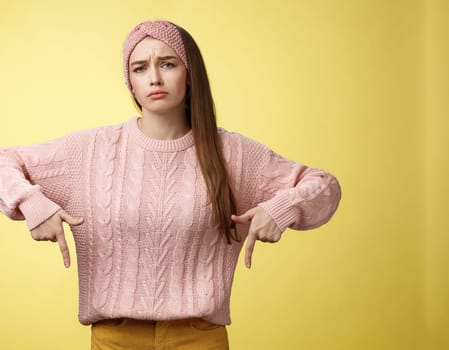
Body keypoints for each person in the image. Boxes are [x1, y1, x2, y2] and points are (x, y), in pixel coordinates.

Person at [0, 20, 341, 349]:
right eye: (140, 68)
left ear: (190, 74)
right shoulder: (91, 151)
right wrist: (30, 202)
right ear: (129, 83)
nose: (154, 78)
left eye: (167, 64)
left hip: (199, 338)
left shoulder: (232, 153)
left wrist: (281, 208)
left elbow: (324, 185)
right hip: (115, 338)